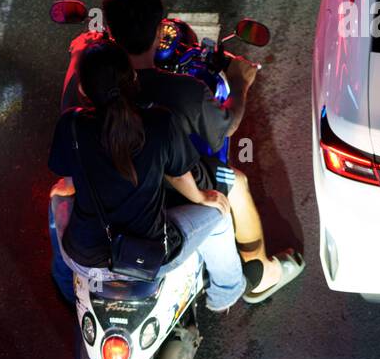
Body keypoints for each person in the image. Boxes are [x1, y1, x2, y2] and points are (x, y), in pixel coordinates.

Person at [64, 0, 303, 304]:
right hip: (156, 227)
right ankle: (249, 277)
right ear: (159, 29)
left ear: (110, 31)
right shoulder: (176, 101)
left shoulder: (83, 104)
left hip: (95, 229)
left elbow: (67, 129)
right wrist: (239, 82)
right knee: (233, 188)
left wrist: (78, 59)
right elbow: (219, 134)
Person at [49, 40, 245, 313]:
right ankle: (226, 293)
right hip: (148, 258)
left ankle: (64, 284)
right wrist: (204, 196)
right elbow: (178, 176)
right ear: (132, 79)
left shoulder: (70, 124)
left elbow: (69, 177)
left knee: (55, 200)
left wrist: (68, 187)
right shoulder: (159, 122)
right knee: (220, 218)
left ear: (82, 89)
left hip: (84, 258)